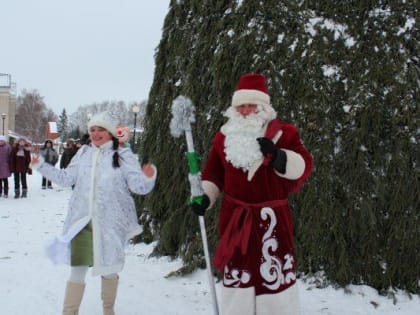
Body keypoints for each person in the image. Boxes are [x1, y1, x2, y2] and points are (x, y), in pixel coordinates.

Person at [191, 73, 313, 315]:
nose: (245, 110)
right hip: (236, 220)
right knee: (240, 280)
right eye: (241, 106)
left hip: (272, 222)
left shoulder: (284, 133)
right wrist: (205, 196)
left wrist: (279, 156)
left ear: (263, 107)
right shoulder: (223, 137)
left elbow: (305, 164)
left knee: (274, 281)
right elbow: (213, 174)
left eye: (251, 105)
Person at [30, 111, 157, 314]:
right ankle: (69, 312)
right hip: (82, 222)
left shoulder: (123, 155)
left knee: (109, 270)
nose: (96, 134)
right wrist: (42, 166)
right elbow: (65, 178)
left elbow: (138, 186)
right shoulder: (83, 153)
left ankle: (108, 310)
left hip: (110, 224)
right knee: (77, 270)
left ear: (110, 132)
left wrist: (148, 177)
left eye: (101, 130)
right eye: (92, 130)